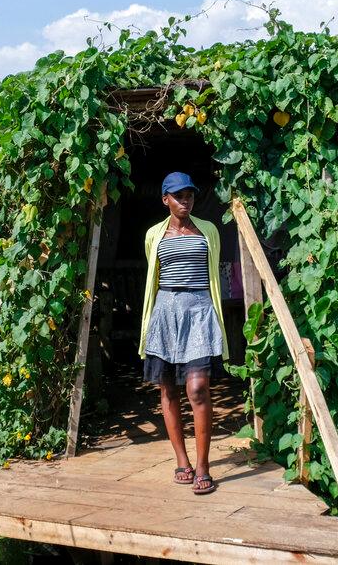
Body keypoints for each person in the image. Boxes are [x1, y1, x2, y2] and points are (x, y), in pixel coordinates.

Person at [139, 171, 229, 495]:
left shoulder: (208, 232)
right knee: (168, 389)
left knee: (198, 388)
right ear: (166, 200)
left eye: (189, 195)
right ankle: (182, 460)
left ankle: (203, 465)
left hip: (200, 308)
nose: (185, 200)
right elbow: (154, 273)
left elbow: (214, 273)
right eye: (178, 196)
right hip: (165, 311)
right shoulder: (154, 235)